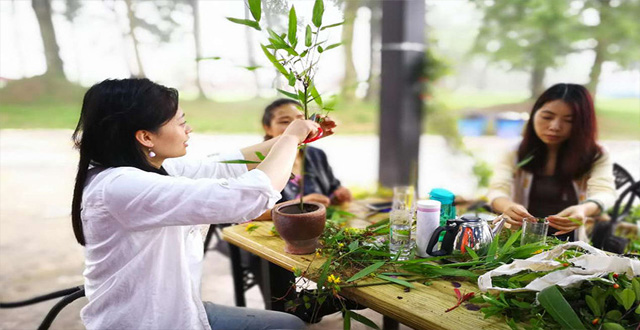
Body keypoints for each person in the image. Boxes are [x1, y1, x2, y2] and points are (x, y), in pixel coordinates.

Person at [72, 78, 335, 330]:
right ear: (146, 137)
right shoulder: (121, 186)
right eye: (180, 123)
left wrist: (298, 135)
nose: (189, 129)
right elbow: (247, 196)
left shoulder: (156, 168)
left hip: (181, 309)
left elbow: (226, 164)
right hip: (146, 320)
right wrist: (289, 139)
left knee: (288, 324)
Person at [487, 83, 616, 241]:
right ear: (534, 114)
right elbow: (497, 189)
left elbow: (605, 193)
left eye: (569, 120)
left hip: (570, 246)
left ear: (582, 124)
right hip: (519, 243)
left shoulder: (596, 154)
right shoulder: (515, 152)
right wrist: (507, 206)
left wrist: (583, 210)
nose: (555, 126)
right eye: (547, 117)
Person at [260, 98, 352, 209]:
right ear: (267, 128)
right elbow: (246, 212)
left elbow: (333, 188)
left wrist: (338, 194)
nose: (295, 127)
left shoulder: (316, 155)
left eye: (301, 121)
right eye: (285, 121)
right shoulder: (256, 161)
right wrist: (300, 203)